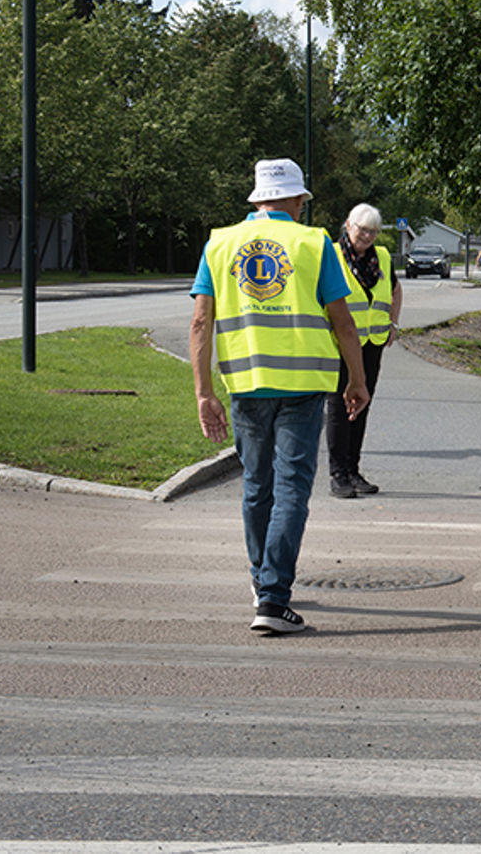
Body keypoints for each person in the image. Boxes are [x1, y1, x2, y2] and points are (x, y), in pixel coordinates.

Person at [190, 158, 369, 635]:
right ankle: (272, 597)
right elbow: (343, 322)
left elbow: (200, 322)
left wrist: (203, 391)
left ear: (256, 200)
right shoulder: (313, 244)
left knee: (256, 485)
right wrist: (357, 380)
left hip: (246, 385)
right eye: (302, 200)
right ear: (295, 200)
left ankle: (261, 582)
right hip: (304, 385)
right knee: (291, 488)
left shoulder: (219, 243)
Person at [325, 203, 402, 499]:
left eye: (373, 231)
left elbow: (395, 290)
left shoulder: (381, 257)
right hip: (339, 343)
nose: (368, 236)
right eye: (362, 229)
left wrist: (393, 322)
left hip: (372, 342)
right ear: (348, 225)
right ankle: (337, 474)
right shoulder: (330, 255)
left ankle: (353, 470)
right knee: (338, 407)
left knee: (362, 404)